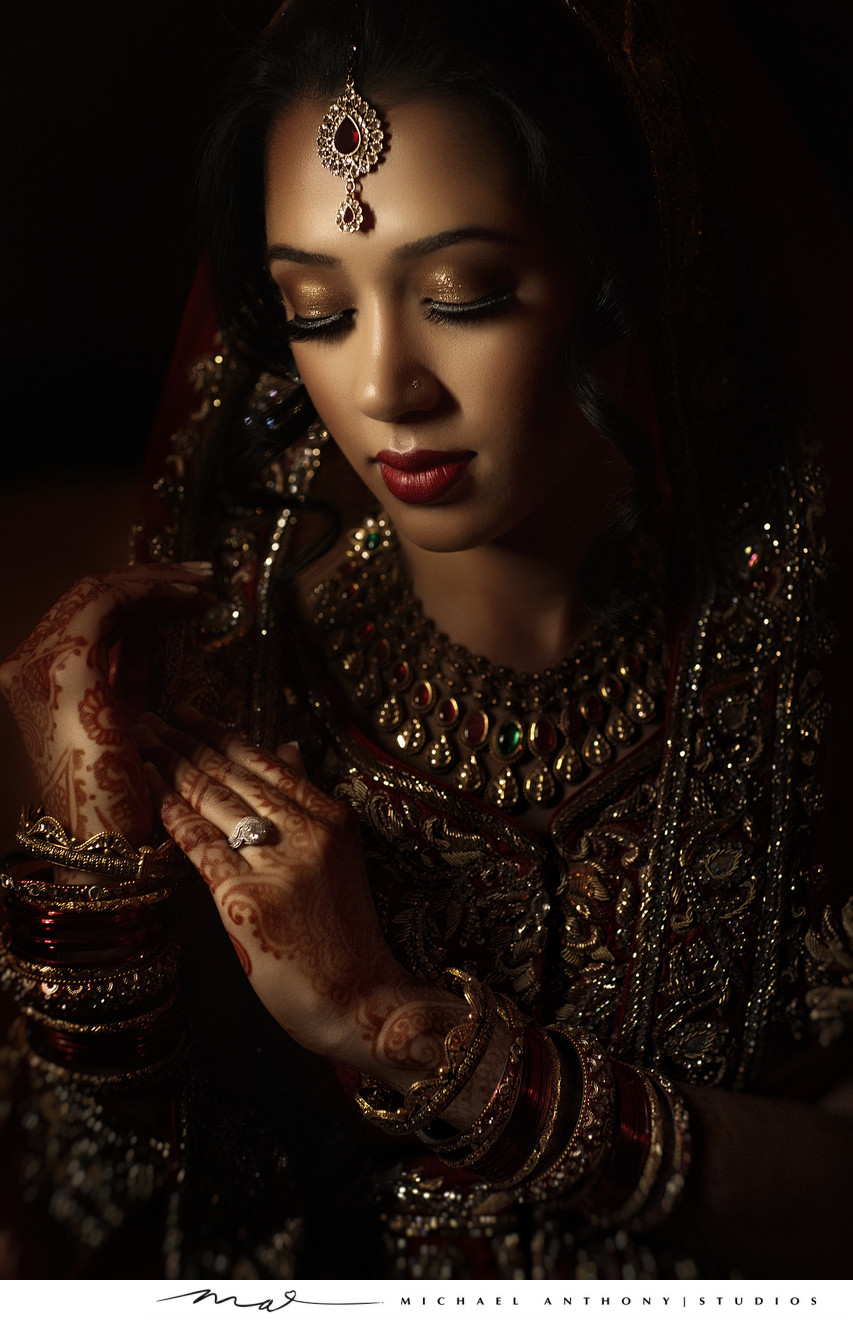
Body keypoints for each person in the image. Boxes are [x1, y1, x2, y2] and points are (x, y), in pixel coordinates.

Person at [0, 0, 851, 1283]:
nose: (388, 385)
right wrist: (89, 893)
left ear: (614, 278)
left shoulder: (800, 672)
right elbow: (102, 1226)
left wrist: (400, 1030)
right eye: (318, 310)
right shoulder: (220, 691)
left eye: (464, 293)